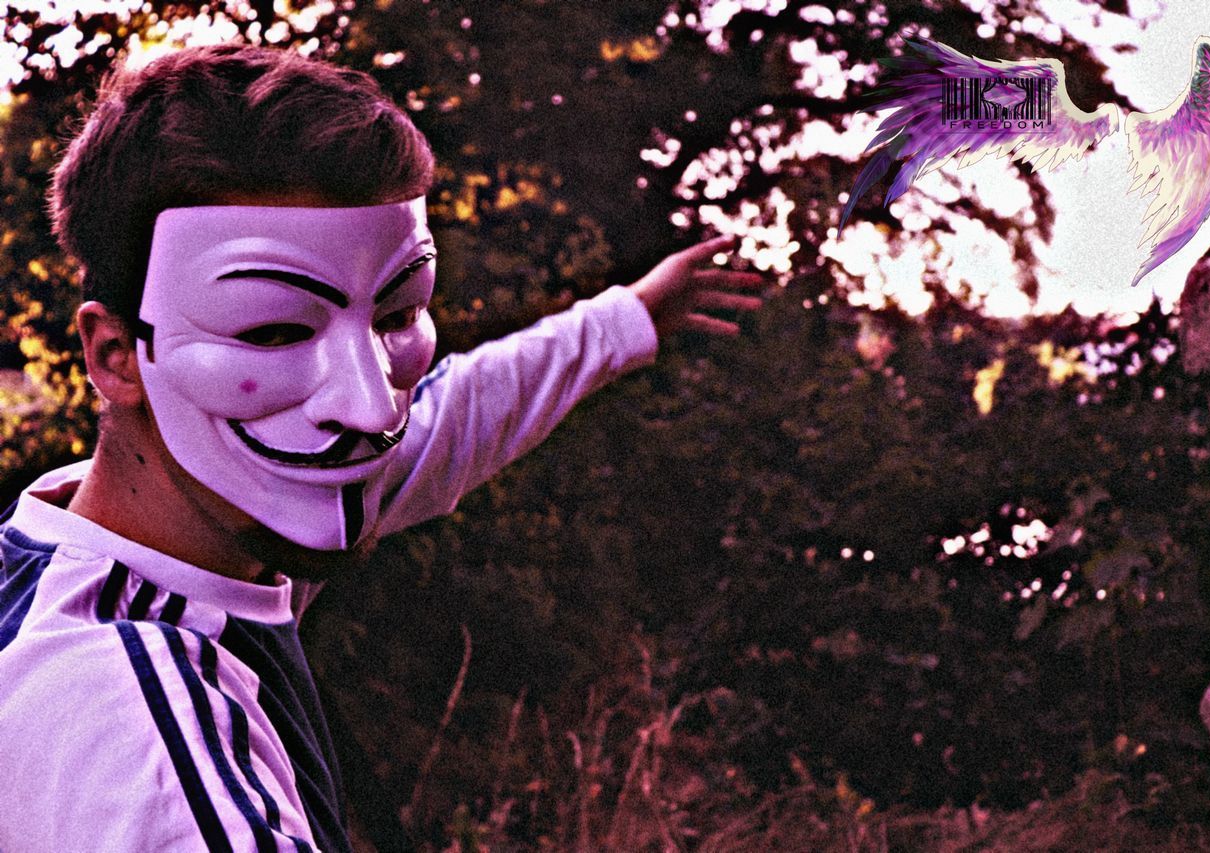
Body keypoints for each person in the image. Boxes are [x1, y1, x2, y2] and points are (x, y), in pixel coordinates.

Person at [0, 44, 761, 850]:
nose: (367, 405)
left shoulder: (131, 529)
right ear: (115, 356)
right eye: (273, 329)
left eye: (397, 317)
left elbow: (452, 418)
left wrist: (629, 318)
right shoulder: (141, 740)